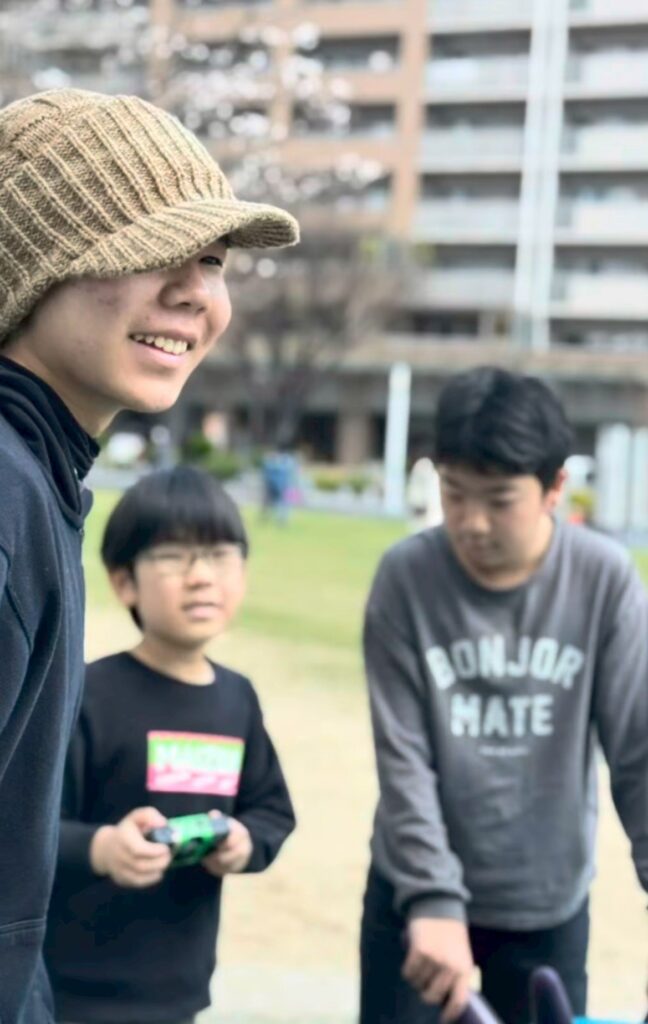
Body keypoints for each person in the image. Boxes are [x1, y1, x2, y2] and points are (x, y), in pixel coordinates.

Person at [0, 87, 298, 1023]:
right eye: (150, 251)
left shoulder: (40, 477)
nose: (196, 293)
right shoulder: (7, 489)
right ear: (32, 267)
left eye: (212, 260)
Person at [360, 367, 648, 1024]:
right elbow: (403, 759)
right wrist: (432, 899)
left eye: (499, 499)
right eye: (454, 493)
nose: (472, 522)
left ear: (554, 489)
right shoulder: (405, 577)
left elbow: (639, 752)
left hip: (545, 906)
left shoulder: (604, 580)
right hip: (413, 902)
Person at [44, 465, 296, 1024]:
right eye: (174, 557)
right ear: (124, 581)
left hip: (180, 988)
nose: (201, 576)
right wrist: (103, 848)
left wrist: (243, 842)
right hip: (74, 990)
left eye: (220, 555)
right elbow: (32, 828)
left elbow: (272, 811)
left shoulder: (237, 699)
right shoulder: (88, 694)